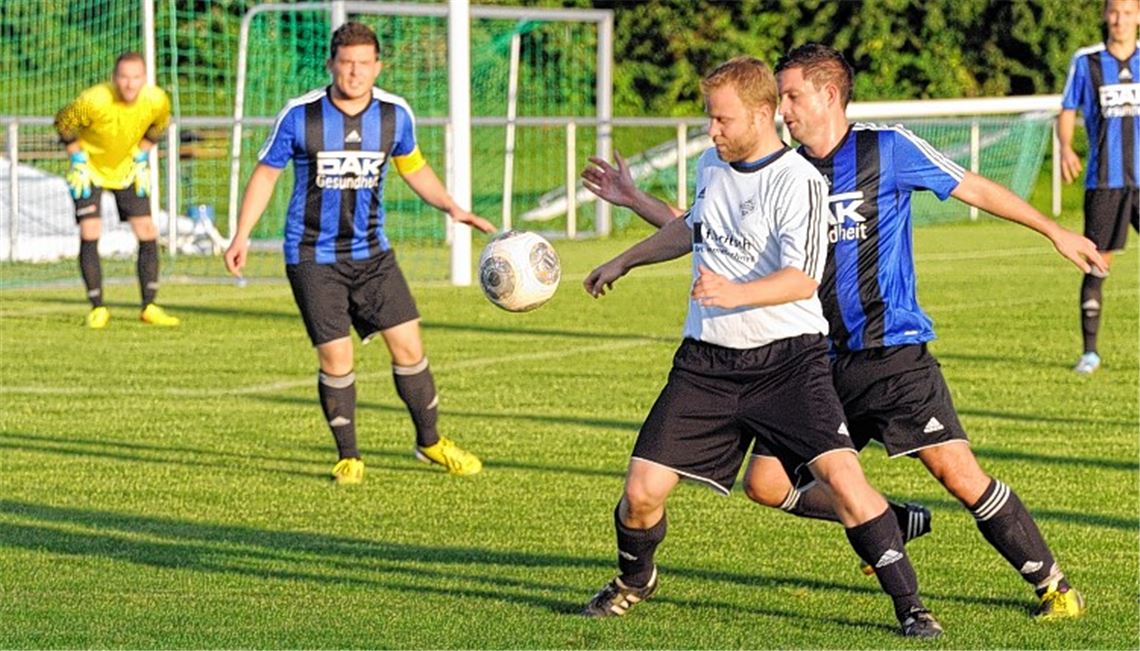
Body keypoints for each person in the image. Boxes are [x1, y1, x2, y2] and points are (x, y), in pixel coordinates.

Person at [584, 43, 1105, 622]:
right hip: (814, 360)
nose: (783, 109)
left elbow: (973, 187)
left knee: (956, 472)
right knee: (766, 483)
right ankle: (892, 520)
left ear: (829, 94)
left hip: (890, 352)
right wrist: (634, 203)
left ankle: (1052, 583)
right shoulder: (781, 167)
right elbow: (708, 228)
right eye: (778, 97)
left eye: (792, 96)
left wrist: (1053, 230)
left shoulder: (886, 148)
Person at [580, 56, 943, 638]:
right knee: (641, 495)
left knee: (847, 483)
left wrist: (734, 291)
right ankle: (634, 580)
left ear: (760, 114)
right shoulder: (711, 165)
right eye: (710, 119)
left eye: (722, 120)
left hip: (787, 364)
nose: (712, 130)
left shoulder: (798, 181)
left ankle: (911, 607)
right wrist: (624, 259)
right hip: (705, 365)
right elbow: (692, 226)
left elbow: (802, 278)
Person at [223, 22, 493, 484]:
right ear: (331, 65)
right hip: (312, 256)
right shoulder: (301, 115)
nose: (354, 73)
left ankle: (429, 442)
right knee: (337, 358)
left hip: (373, 254)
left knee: (409, 346)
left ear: (377, 66)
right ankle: (349, 455)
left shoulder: (394, 115)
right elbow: (266, 173)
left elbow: (415, 167)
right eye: (346, 63)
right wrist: (241, 234)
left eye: (364, 64)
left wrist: (453, 207)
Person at [54, 52, 180, 329]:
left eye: (136, 78)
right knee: (90, 231)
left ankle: (149, 305)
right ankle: (97, 307)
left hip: (126, 171)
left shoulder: (157, 99)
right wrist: (77, 158)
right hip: (89, 170)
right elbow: (63, 122)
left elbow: (160, 124)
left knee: (147, 230)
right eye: (124, 77)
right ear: (114, 78)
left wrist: (141, 155)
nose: (130, 84)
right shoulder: (94, 99)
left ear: (144, 79)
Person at [1059, 0, 1139, 374]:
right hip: (1105, 182)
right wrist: (1064, 148)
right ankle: (1090, 353)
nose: (1120, 19)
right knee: (1097, 262)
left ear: (1138, 17)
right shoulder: (1087, 62)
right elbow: (1068, 108)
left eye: (1127, 12)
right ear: (1106, 15)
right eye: (1114, 12)